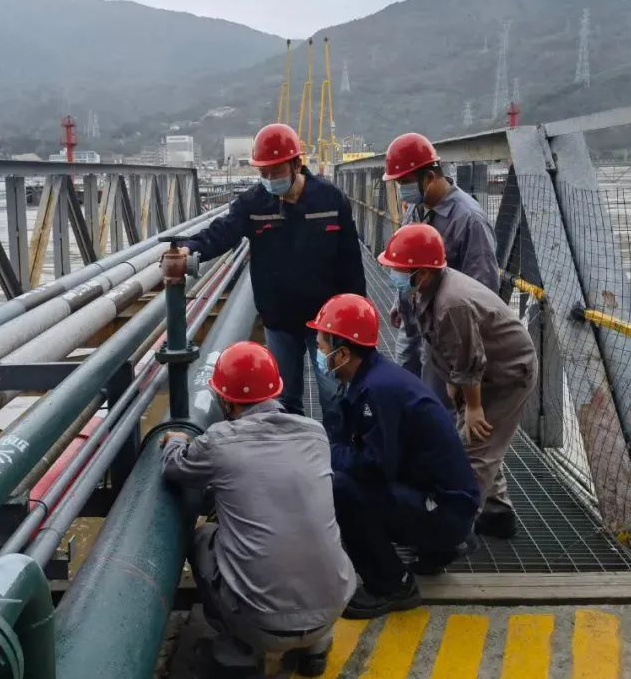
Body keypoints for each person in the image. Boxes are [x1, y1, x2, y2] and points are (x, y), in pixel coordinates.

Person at [160, 341, 356, 678]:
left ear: (226, 400)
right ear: (275, 390)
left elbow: (175, 467)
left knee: (203, 538)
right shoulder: (315, 434)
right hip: (333, 606)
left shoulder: (220, 441)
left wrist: (175, 439)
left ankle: (237, 651)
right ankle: (315, 647)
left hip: (263, 623)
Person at [180, 123, 365, 429]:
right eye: (263, 173)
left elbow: (351, 262)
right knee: (284, 400)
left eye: (275, 171)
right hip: (279, 320)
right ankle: (294, 450)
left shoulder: (330, 200)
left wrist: (356, 317)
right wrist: (190, 248)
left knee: (334, 395)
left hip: (326, 322)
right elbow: (223, 232)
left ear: (296, 164)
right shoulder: (254, 203)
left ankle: (337, 453)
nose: (269, 179)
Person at [307, 294, 479, 619]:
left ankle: (392, 584)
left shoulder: (376, 392)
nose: (318, 353)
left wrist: (326, 454)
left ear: (342, 353)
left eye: (321, 346)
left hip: (446, 511)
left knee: (342, 489)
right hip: (447, 501)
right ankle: (440, 547)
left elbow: (374, 466)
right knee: (349, 477)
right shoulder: (373, 378)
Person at [379, 223, 537, 539]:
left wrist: (474, 406)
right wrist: (454, 381)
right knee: (479, 440)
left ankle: (454, 531)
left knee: (473, 451)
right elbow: (448, 346)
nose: (394, 275)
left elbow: (469, 359)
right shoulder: (426, 288)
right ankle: (497, 513)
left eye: (400, 270)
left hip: (506, 374)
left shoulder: (452, 303)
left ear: (423, 273)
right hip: (482, 369)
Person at [382, 133, 499, 392]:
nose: (402, 190)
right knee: (404, 388)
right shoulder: (417, 208)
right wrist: (399, 301)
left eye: (405, 182)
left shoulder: (469, 220)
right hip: (413, 324)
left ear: (430, 177)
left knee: (436, 398)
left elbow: (484, 289)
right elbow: (406, 260)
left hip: (444, 333)